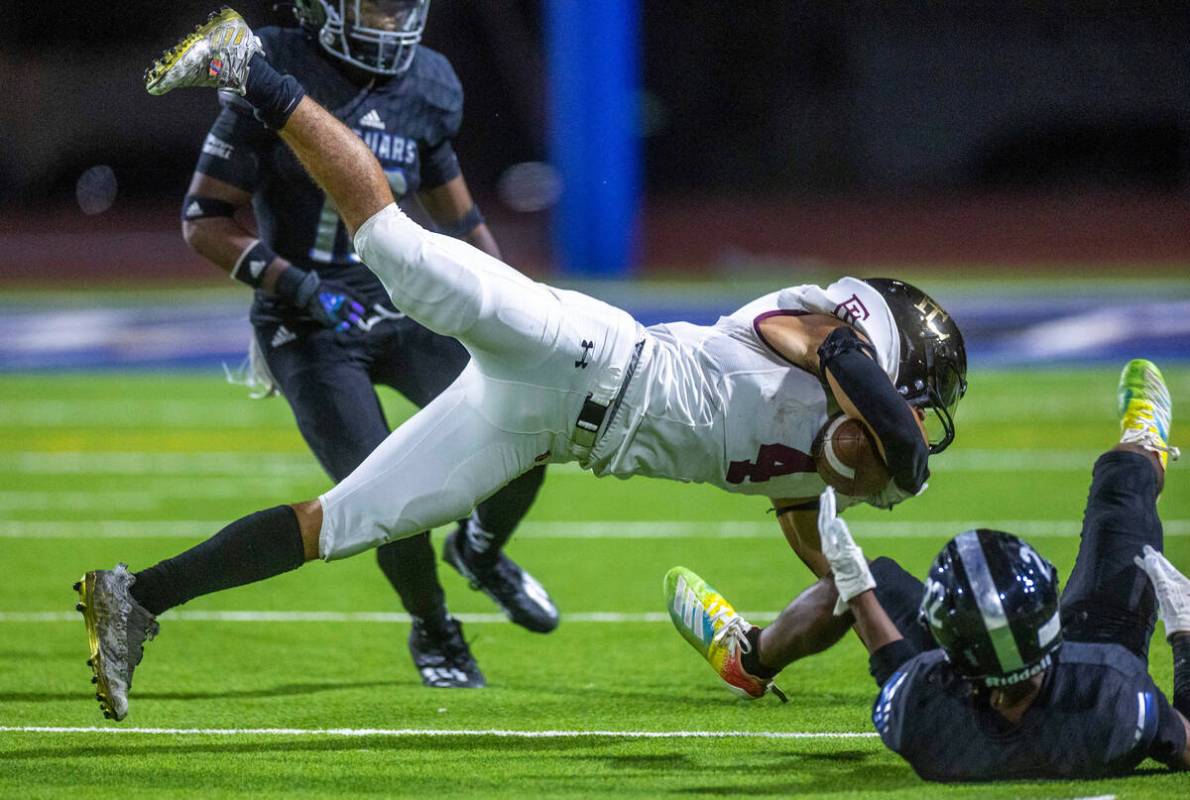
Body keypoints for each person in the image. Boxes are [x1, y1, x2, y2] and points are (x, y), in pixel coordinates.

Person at [71, 8, 965, 722]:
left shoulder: (814, 483)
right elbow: (862, 381)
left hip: (537, 427)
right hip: (582, 351)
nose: (912, 427)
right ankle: (250, 68)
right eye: (918, 405)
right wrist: (909, 465)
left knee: (347, 522)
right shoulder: (821, 341)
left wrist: (769, 649)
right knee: (397, 250)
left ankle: (134, 597)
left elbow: (840, 588)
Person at [178, 0, 560, 691]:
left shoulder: (433, 80)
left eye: (400, 8)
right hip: (308, 322)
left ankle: (479, 551)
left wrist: (516, 307)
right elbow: (205, 218)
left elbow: (461, 217)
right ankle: (436, 625)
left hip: (401, 303)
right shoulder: (277, 62)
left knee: (531, 421)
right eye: (377, 7)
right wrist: (301, 290)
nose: (392, 22)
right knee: (388, 493)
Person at [669, 359, 1189, 780]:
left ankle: (749, 659)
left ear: (947, 655)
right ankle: (1143, 440)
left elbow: (892, 657)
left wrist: (856, 584)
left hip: (985, 689)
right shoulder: (1113, 692)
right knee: (1121, 491)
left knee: (861, 582)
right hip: (1099, 648)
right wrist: (1185, 640)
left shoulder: (928, 720)